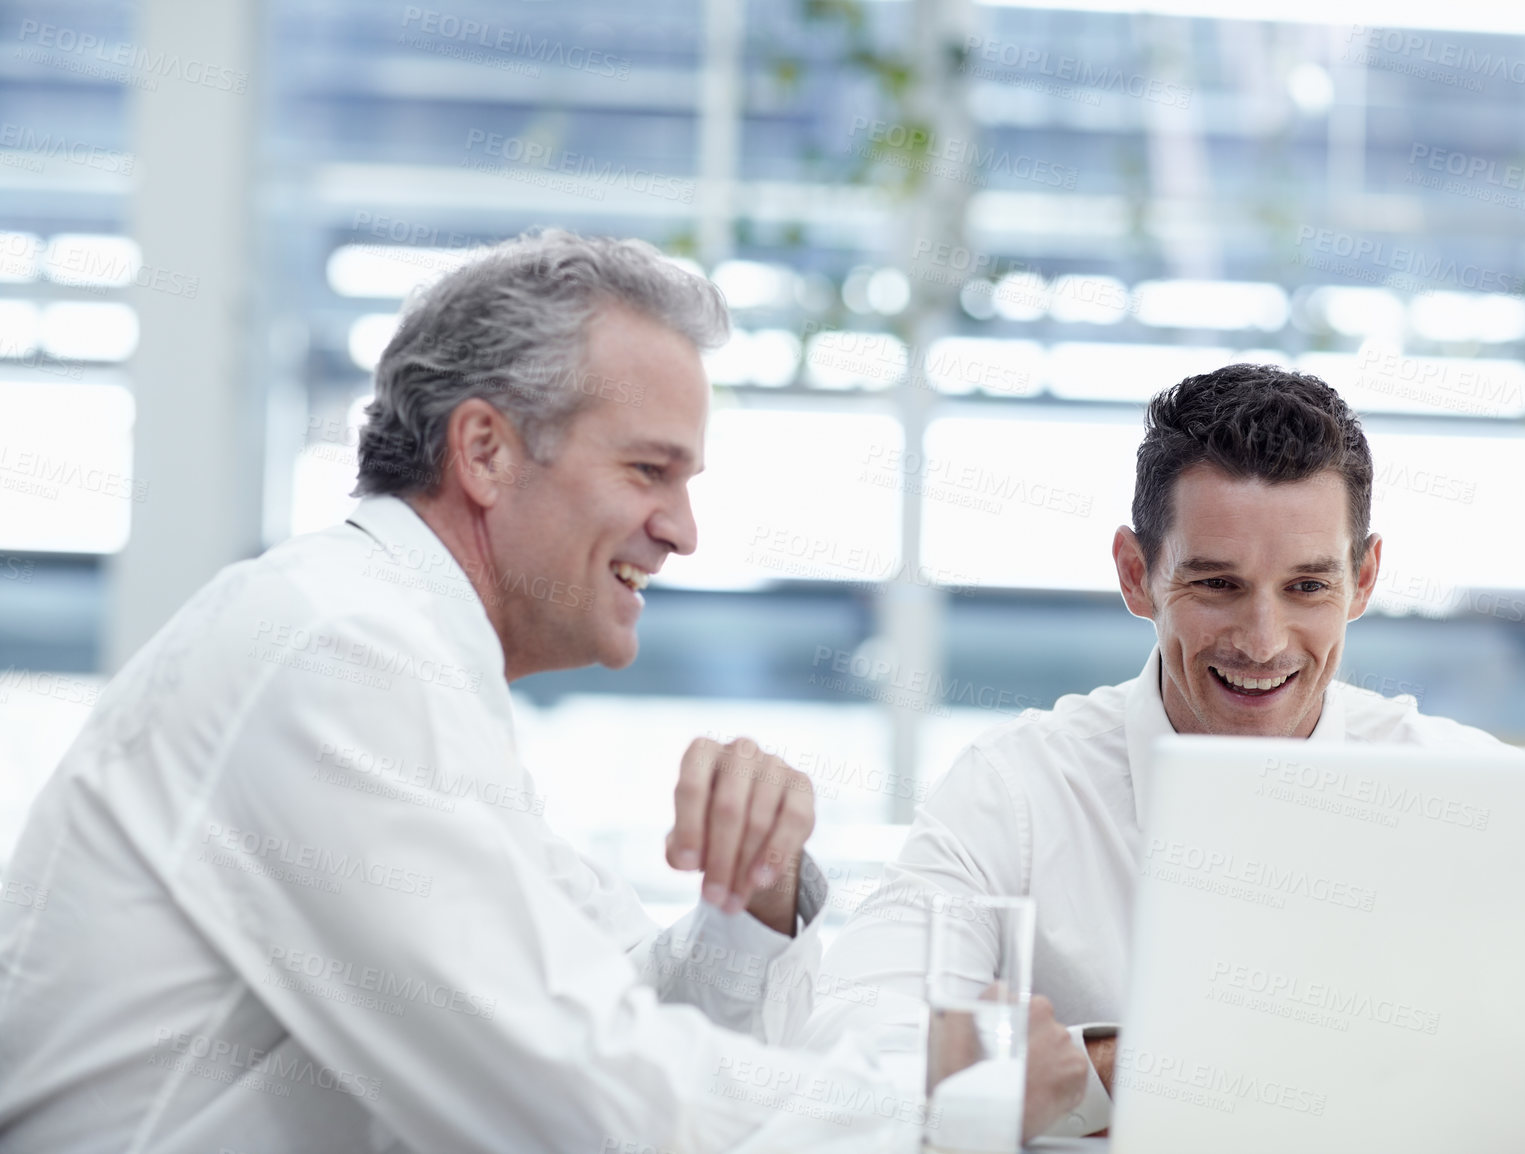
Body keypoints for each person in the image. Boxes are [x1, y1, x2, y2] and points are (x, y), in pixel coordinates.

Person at [0, 232, 1089, 1153]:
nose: (682, 529)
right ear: (484, 449)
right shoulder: (336, 654)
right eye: (647, 470)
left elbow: (609, 1002)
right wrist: (939, 1108)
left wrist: (752, 900)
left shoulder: (401, 658)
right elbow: (569, 1096)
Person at [802, 363, 1505, 1137]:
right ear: (1137, 576)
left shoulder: (1465, 792)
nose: (1263, 642)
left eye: (1307, 588)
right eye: (1218, 586)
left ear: (1364, 579)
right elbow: (853, 1053)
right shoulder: (1016, 794)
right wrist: (1108, 1071)